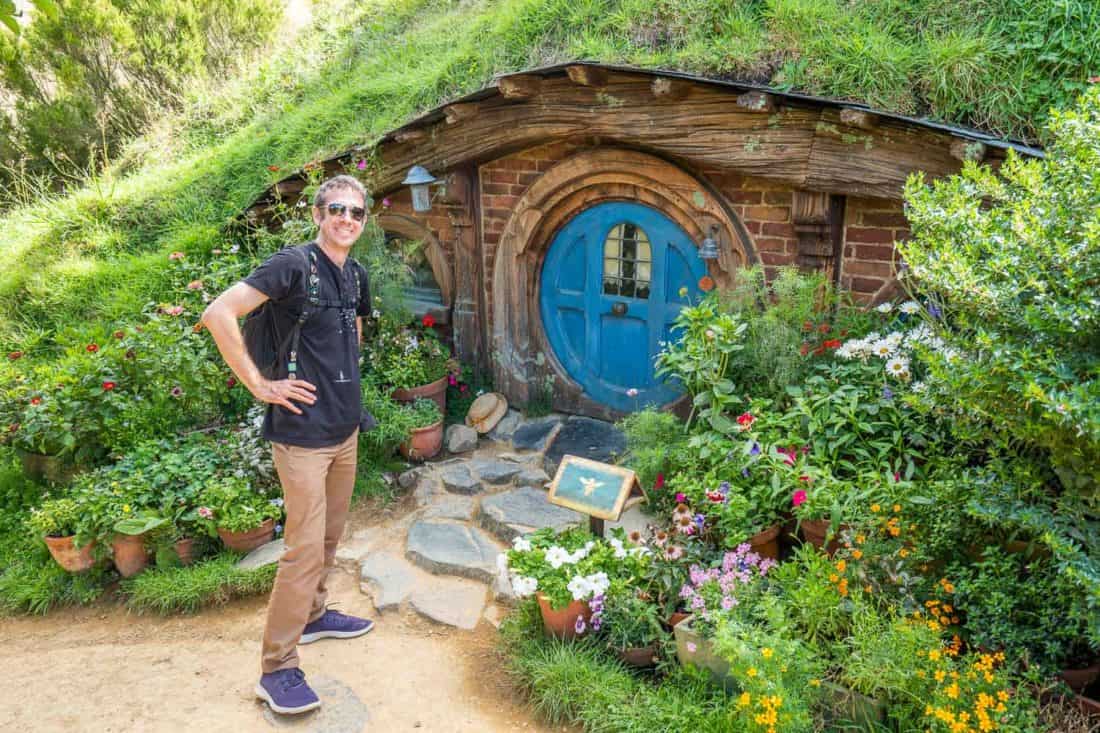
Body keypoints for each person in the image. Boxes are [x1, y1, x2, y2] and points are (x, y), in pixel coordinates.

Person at [202, 174, 375, 715]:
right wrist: (261, 385)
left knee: (328, 538)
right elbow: (218, 313)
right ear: (319, 215)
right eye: (338, 209)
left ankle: (316, 615)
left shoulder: (356, 274)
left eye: (357, 212)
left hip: (343, 429)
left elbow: (354, 334)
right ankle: (277, 668)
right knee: (301, 550)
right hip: (301, 437)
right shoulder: (293, 265)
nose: (348, 218)